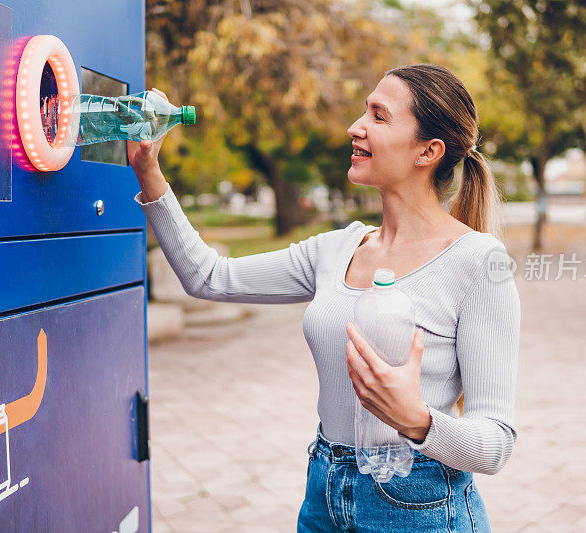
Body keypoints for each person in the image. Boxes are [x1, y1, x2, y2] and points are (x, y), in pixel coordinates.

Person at [128, 64, 521, 532]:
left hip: (419, 504)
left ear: (428, 151)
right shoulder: (336, 249)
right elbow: (208, 276)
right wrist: (148, 172)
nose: (355, 127)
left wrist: (416, 420)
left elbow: (494, 445)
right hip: (324, 491)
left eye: (378, 115)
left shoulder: (478, 263)